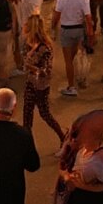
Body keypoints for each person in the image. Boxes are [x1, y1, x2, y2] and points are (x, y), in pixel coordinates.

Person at [21, 16, 66, 144]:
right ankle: (27, 144)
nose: (24, 26)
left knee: (45, 114)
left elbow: (46, 71)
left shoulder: (45, 48)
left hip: (41, 87)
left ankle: (63, 137)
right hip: (30, 83)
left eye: (27, 25)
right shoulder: (28, 44)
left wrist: (31, 68)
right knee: (27, 116)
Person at [52, 0, 93, 97]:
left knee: (68, 60)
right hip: (79, 29)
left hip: (66, 30)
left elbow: (56, 16)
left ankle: (71, 86)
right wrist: (90, 32)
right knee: (77, 55)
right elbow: (88, 17)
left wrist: (53, 28)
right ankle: (80, 77)